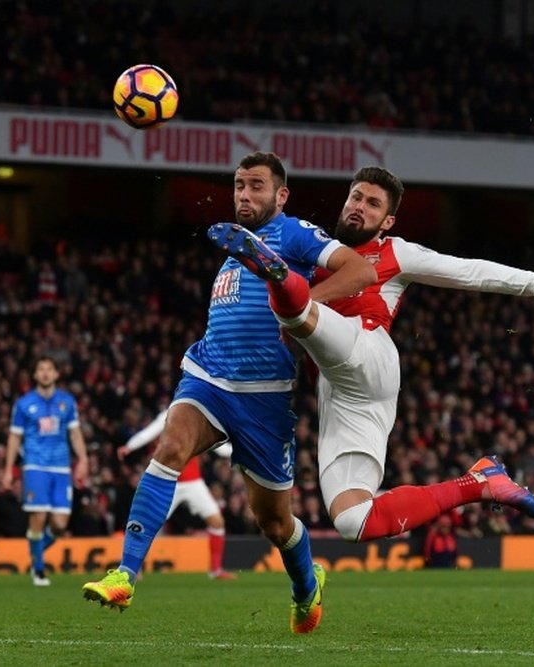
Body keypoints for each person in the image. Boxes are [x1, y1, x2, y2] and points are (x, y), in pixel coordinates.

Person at [208, 165, 534, 544]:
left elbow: (468, 271)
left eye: (373, 204)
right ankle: (480, 482)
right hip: (339, 392)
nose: (359, 207)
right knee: (351, 520)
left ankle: (280, 284)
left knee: (293, 309)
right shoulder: (321, 251)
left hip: (368, 353)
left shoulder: (395, 252)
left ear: (387, 221)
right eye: (355, 198)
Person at [82, 152, 375, 635]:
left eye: (256, 186)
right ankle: (125, 574)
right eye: (239, 185)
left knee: (275, 525)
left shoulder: (295, 233)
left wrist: (303, 304)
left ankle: (307, 584)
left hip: (265, 399)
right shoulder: (235, 249)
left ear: (280, 195)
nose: (244, 194)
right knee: (171, 447)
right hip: (209, 376)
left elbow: (359, 272)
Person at [117, 407, 236, 580]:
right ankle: (133, 569)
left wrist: (244, 451)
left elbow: (219, 446)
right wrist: (129, 446)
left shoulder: (200, 411)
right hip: (168, 480)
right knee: (149, 525)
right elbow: (149, 432)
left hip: (194, 481)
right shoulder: (171, 412)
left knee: (217, 521)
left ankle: (215, 570)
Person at [2, 355, 89, 586]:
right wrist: (8, 469)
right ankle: (39, 570)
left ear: (57, 374)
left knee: (60, 524)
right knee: (38, 517)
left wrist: (83, 459)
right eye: (41, 369)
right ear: (35, 375)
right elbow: (14, 437)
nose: (45, 373)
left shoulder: (67, 402)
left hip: (61, 468)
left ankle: (35, 554)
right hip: (35, 465)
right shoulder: (23, 404)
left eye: (49, 369)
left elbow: (75, 433)